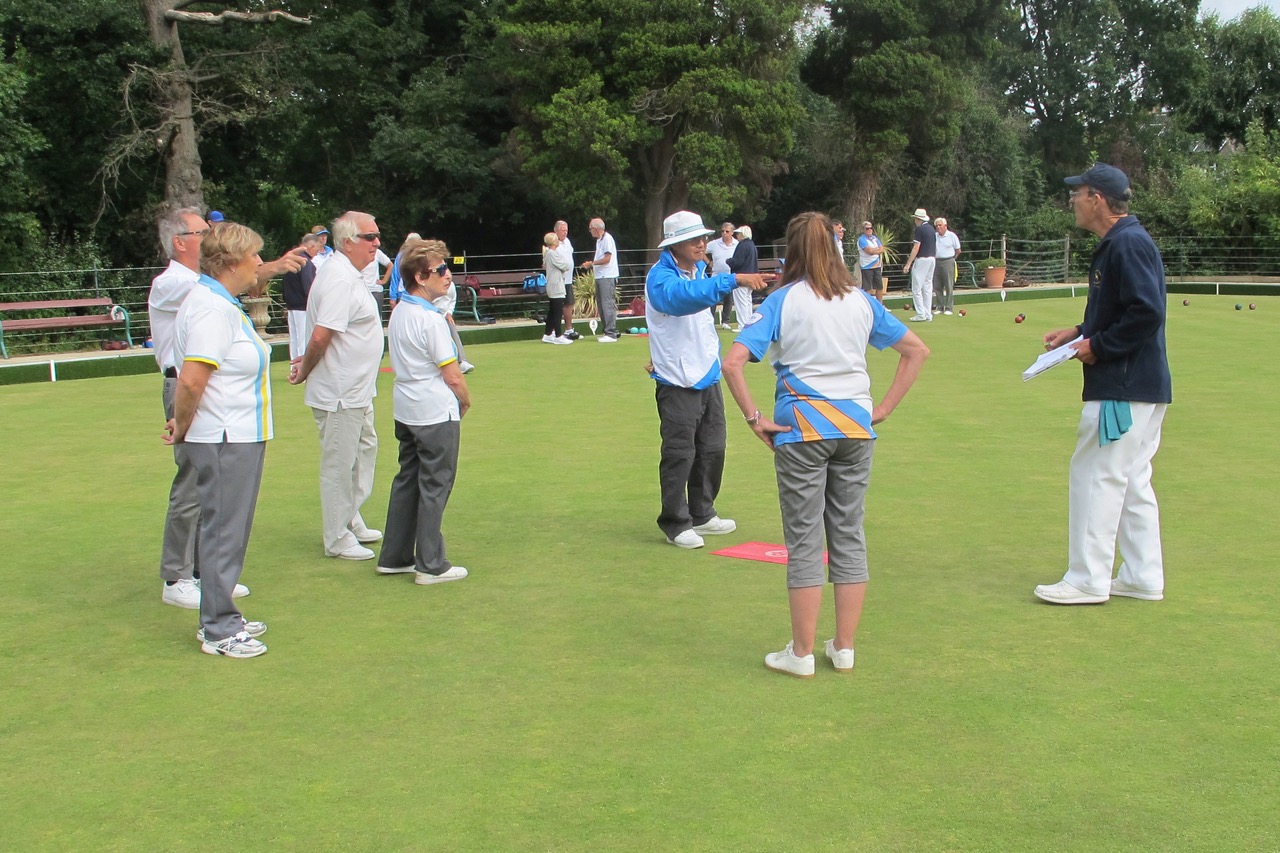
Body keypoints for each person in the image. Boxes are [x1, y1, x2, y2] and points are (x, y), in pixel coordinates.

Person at [722, 211, 929, 678]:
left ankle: (800, 653)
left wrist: (755, 419)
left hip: (801, 430)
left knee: (805, 541)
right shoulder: (860, 300)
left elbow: (732, 364)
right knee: (849, 534)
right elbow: (917, 350)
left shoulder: (781, 301)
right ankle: (845, 647)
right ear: (835, 248)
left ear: (791, 251)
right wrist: (884, 408)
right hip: (856, 429)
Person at [1034, 164, 1172, 605]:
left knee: (1096, 474)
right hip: (1141, 385)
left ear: (1097, 198)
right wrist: (1079, 332)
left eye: (1077, 193)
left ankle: (1088, 579)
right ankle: (1142, 575)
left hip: (1121, 387)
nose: (1071, 200)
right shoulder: (1123, 241)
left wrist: (1100, 346)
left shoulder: (1126, 243)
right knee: (1131, 478)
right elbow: (1124, 308)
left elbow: (1145, 312)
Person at [148, 208, 297, 609]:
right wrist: (273, 267)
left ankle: (207, 579)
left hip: (208, 395)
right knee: (195, 492)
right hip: (189, 390)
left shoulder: (210, 293)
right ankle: (180, 578)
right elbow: (194, 377)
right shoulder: (178, 285)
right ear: (180, 241)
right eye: (202, 231)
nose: (209, 235)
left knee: (215, 507)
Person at [164, 221, 274, 658]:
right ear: (231, 262)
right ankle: (219, 629)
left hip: (235, 434)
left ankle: (220, 611)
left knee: (227, 528)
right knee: (223, 531)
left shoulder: (219, 302)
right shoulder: (211, 307)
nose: (260, 265)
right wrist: (183, 426)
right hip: (225, 436)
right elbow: (191, 381)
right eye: (255, 257)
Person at [644, 210, 774, 549]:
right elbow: (678, 300)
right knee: (679, 452)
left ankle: (702, 513)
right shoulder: (660, 277)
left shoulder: (699, 269)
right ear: (675, 244)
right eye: (694, 239)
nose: (703, 243)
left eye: (704, 237)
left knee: (713, 448)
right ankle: (675, 522)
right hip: (676, 381)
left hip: (707, 374)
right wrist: (732, 280)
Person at [290, 211, 386, 561]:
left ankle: (350, 515)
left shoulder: (350, 274)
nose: (377, 243)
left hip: (358, 388)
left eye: (377, 236)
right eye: (370, 237)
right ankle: (337, 536)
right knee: (339, 461)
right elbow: (321, 334)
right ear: (348, 242)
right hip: (340, 391)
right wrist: (305, 368)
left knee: (364, 451)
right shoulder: (339, 278)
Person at [376, 239, 472, 586]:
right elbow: (451, 373)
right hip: (432, 411)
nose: (447, 275)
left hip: (407, 407)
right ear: (420, 276)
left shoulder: (401, 309)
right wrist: (464, 398)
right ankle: (430, 563)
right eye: (440, 270)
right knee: (435, 483)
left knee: (407, 479)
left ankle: (395, 555)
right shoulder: (430, 320)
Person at [282, 233, 321, 360]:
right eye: (317, 248)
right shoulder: (306, 262)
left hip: (291, 304)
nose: (317, 252)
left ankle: (294, 365)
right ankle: (300, 367)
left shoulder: (291, 259)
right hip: (303, 306)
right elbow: (308, 286)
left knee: (294, 338)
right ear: (311, 246)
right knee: (303, 338)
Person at [582, 217, 620, 342]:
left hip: (607, 276)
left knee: (607, 304)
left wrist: (592, 263)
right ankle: (608, 331)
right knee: (601, 304)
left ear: (596, 229)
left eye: (590, 229)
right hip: (601, 276)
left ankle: (611, 333)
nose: (589, 231)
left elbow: (607, 259)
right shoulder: (600, 240)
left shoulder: (607, 239)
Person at [902, 208, 936, 322]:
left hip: (922, 259)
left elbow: (916, 248)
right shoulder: (931, 229)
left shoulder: (920, 229)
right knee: (927, 286)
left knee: (917, 288)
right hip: (932, 259)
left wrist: (908, 264)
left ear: (917, 219)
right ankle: (927, 314)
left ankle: (921, 313)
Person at [542, 231, 574, 344]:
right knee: (557, 310)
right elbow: (566, 265)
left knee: (552, 310)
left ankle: (548, 334)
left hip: (554, 283)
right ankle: (558, 335)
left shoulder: (549, 253)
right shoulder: (552, 253)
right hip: (556, 285)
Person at [707, 222, 738, 329]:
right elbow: (702, 251)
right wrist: (708, 262)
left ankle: (725, 322)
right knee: (713, 299)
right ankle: (710, 321)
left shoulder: (737, 244)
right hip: (716, 275)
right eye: (722, 231)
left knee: (728, 300)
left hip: (730, 275)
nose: (724, 233)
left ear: (732, 233)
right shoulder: (714, 243)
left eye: (727, 231)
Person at [554, 220, 580, 339]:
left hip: (568, 280)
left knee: (569, 303)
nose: (565, 233)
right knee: (558, 305)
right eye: (563, 230)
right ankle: (555, 331)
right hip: (559, 280)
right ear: (556, 231)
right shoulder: (553, 243)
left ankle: (568, 330)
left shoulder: (567, 241)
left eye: (566, 230)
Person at [933, 217, 962, 315]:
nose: (938, 227)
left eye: (940, 225)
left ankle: (949, 308)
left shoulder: (952, 236)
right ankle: (940, 307)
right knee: (937, 286)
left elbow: (958, 250)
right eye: (936, 225)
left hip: (948, 261)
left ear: (945, 226)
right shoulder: (934, 236)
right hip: (936, 261)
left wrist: (952, 259)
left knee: (948, 285)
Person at [856, 221, 886, 304]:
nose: (869, 230)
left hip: (877, 266)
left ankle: (880, 305)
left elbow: (882, 249)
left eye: (871, 228)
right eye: (867, 228)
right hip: (867, 266)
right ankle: (869, 305)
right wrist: (876, 250)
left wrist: (875, 250)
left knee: (879, 286)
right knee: (867, 288)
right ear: (863, 230)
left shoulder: (875, 238)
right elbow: (869, 251)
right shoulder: (861, 240)